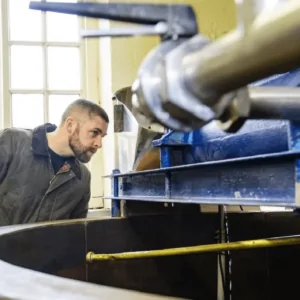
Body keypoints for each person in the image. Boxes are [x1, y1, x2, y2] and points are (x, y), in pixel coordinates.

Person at [0, 98, 109, 226]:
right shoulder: (12, 142)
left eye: (102, 136)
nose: (99, 144)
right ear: (70, 125)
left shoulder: (83, 177)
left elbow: (75, 235)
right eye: (94, 132)